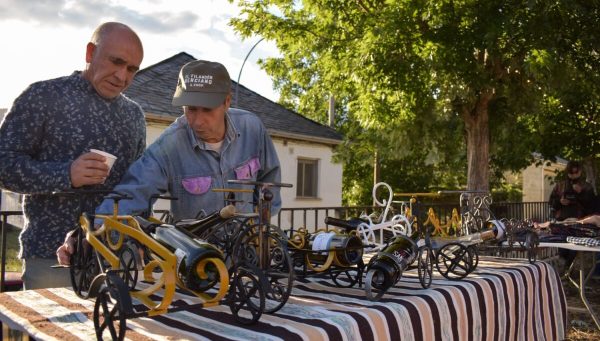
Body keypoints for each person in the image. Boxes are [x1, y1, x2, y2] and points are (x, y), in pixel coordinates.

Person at [56, 59, 281, 265]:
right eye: (191, 109)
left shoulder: (253, 128)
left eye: (207, 110)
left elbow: (269, 181)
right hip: (195, 263)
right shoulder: (169, 147)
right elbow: (131, 193)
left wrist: (260, 229)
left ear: (226, 102)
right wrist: (90, 232)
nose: (198, 121)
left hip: (250, 258)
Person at [0, 22, 146, 289]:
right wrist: (65, 174)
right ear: (90, 53)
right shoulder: (42, 96)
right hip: (51, 259)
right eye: (116, 62)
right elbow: (3, 166)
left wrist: (137, 240)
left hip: (116, 259)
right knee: (54, 332)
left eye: (131, 69)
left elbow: (137, 186)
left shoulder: (134, 115)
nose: (122, 76)